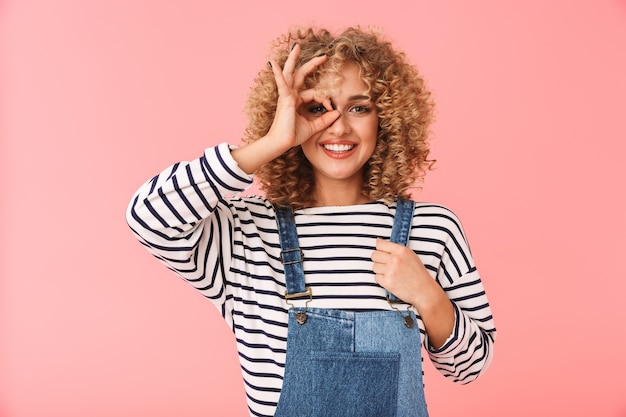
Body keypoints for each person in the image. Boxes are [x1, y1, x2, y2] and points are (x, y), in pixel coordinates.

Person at [126, 26, 496, 417]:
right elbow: (148, 217)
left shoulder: (432, 229)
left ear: (385, 119)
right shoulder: (244, 233)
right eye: (318, 108)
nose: (338, 126)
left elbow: (469, 366)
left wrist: (427, 294)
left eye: (359, 107)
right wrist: (272, 142)